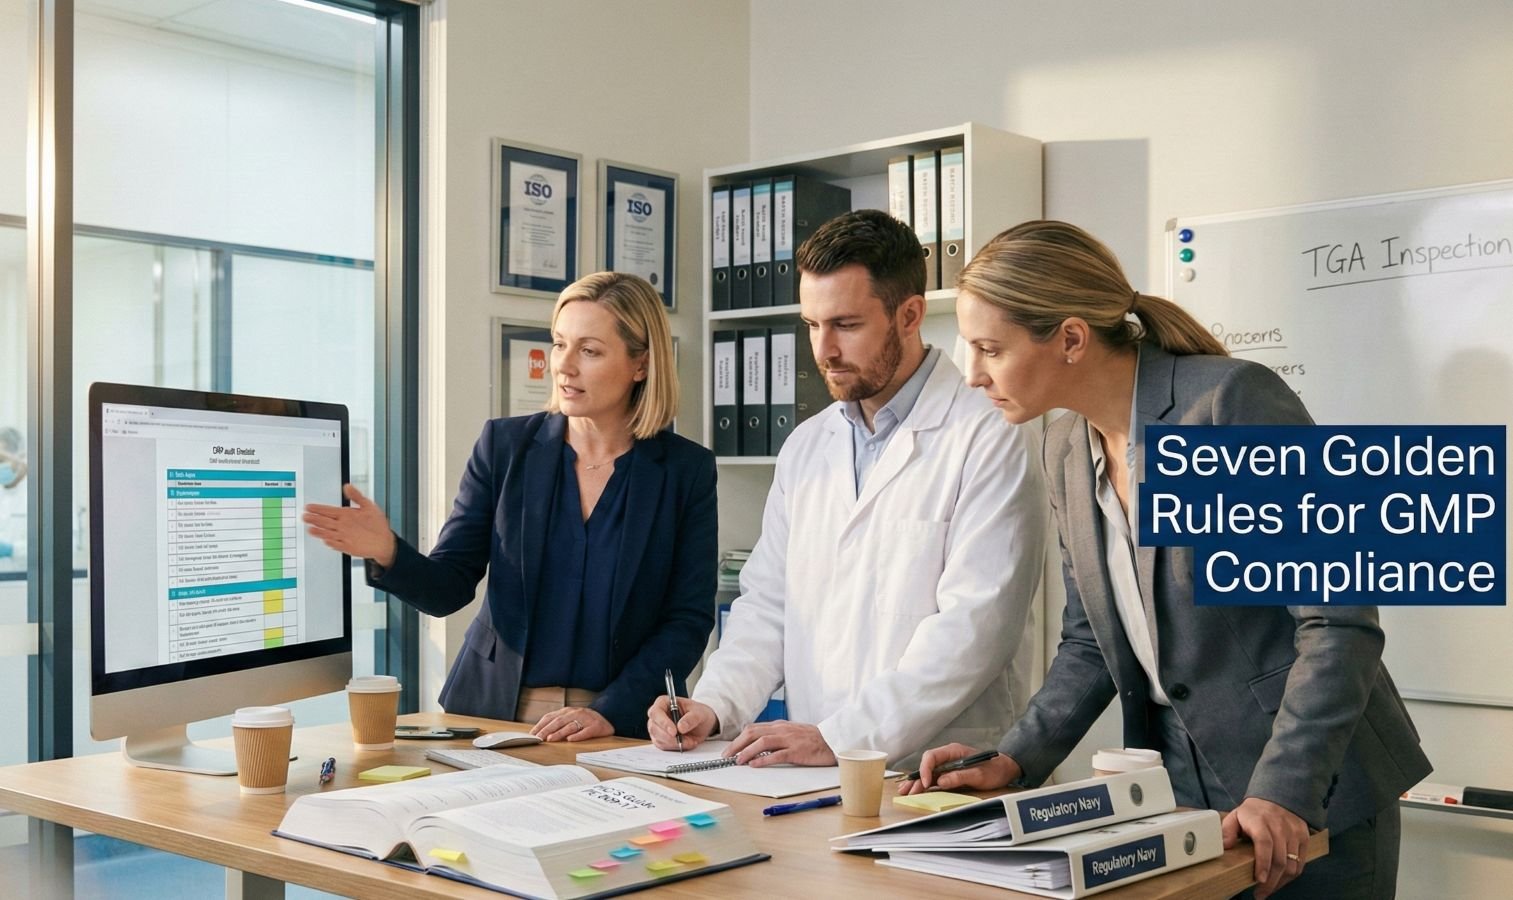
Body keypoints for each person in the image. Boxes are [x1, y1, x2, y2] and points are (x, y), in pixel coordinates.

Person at [904, 220, 1431, 900]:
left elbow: (1337, 622)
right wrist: (1012, 757)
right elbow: (1088, 641)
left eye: (988, 349)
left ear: (1069, 338)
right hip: (1178, 796)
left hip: (1310, 793)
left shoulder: (1226, 405)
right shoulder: (1066, 447)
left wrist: (1282, 791)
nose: (972, 375)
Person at [647, 209, 1047, 768]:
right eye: (812, 325)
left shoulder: (988, 432)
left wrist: (841, 736)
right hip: (813, 772)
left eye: (846, 325)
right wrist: (714, 704)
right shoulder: (807, 447)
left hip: (937, 770)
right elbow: (767, 605)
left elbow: (974, 630)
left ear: (909, 315)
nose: (823, 350)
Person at [304, 272, 716, 742]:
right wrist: (388, 552)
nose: (564, 366)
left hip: (620, 723)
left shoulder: (686, 470)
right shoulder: (504, 447)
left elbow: (687, 619)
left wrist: (609, 710)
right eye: (559, 344)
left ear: (640, 364)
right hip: (492, 712)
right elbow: (448, 588)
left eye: (590, 350)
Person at [0, 427, 26, 564]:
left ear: (20, 456)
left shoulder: (43, 493)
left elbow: (63, 545)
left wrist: (12, 550)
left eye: (1, 460)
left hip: (27, 579)